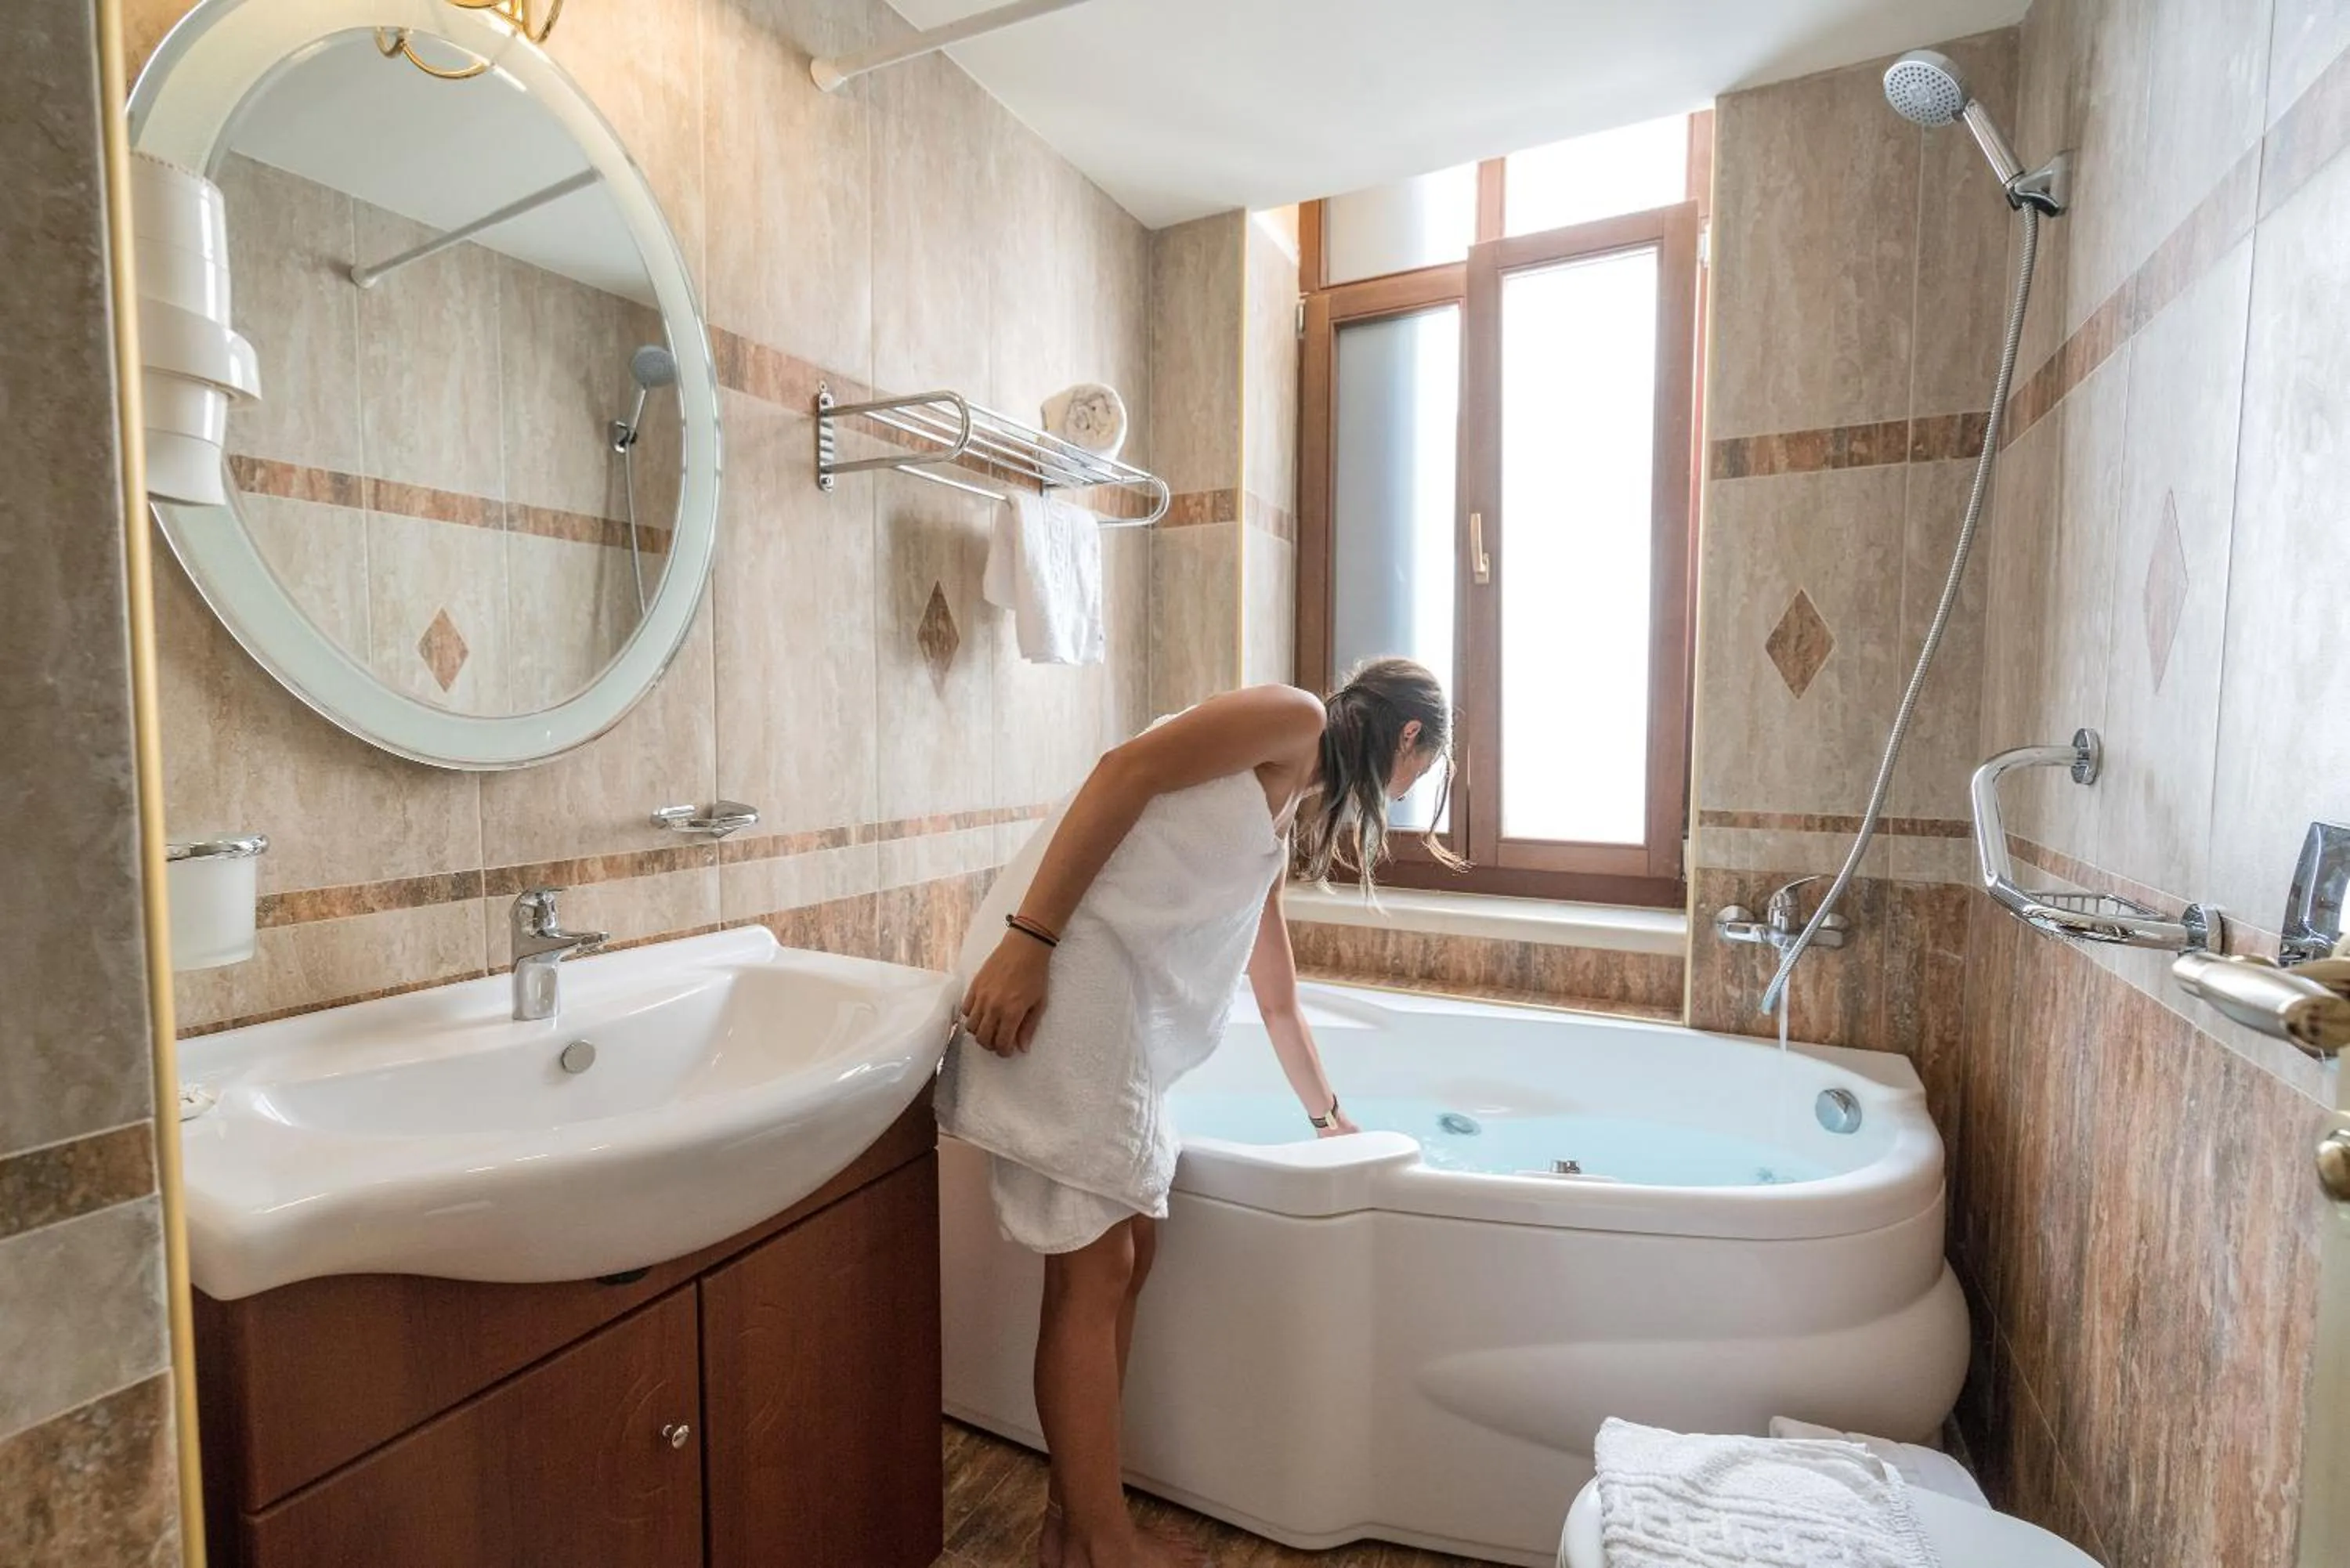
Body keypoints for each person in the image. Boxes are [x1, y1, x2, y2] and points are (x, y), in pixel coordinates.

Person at [941, 657, 1459, 1568]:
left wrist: (1330, 1118)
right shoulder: (1291, 720)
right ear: (1408, 736)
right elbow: (1121, 772)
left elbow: (1279, 997)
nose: (1410, 791)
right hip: (1062, 976)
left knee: (1132, 1249)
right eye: (1421, 770)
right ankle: (1101, 1543)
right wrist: (1029, 943)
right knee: (1094, 1272)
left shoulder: (1287, 804)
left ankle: (1074, 1526)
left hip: (1107, 1006)